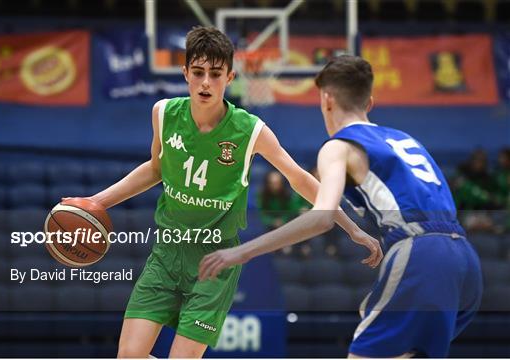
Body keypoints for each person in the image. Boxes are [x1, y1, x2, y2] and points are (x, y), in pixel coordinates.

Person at [80, 28, 380, 358]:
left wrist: (352, 227)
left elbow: (300, 179)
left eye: (215, 74)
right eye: (198, 73)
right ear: (185, 74)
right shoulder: (164, 114)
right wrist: (96, 202)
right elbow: (155, 169)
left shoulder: (250, 130)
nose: (206, 82)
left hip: (214, 264)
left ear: (230, 76)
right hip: (166, 256)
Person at [199, 55, 483, 358]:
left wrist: (241, 252)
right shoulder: (405, 139)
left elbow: (320, 219)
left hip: (421, 254)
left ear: (327, 99)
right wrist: (356, 230)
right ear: (369, 102)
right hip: (464, 259)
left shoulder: (338, 146)